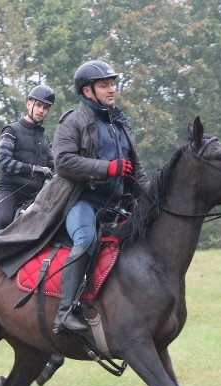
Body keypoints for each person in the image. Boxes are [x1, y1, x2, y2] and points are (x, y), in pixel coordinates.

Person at [50, 60, 151, 334]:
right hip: (81, 203)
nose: (112, 90)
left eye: (112, 84)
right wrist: (107, 168)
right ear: (87, 91)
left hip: (116, 205)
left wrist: (154, 199)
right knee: (86, 240)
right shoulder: (73, 122)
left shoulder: (120, 124)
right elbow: (63, 162)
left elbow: (137, 169)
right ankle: (64, 313)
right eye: (104, 85)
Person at [0, 84, 56, 232]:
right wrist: (33, 169)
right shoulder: (11, 130)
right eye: (38, 105)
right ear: (28, 104)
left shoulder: (45, 138)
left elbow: (53, 167)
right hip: (9, 190)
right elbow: (3, 161)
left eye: (45, 108)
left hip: (35, 195)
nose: (41, 110)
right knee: (3, 220)